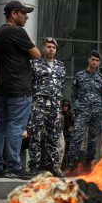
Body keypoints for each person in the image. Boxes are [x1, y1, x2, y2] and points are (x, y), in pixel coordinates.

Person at [0, 1, 40, 179]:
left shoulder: (0, 33)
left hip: (3, 86)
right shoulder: (16, 31)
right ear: (13, 13)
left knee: (1, 125)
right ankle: (13, 166)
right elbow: (36, 54)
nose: (26, 16)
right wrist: (31, 44)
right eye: (23, 13)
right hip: (18, 87)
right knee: (16, 126)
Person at [27, 37, 66, 177]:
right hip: (39, 104)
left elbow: (61, 85)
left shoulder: (60, 66)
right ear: (43, 48)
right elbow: (30, 84)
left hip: (55, 106)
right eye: (48, 46)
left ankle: (52, 165)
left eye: (53, 47)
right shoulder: (35, 64)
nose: (51, 49)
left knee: (53, 136)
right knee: (35, 135)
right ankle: (33, 166)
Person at [67, 50, 102, 171]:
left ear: (99, 62)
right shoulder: (80, 75)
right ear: (89, 60)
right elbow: (74, 93)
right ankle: (71, 164)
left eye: (97, 60)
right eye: (93, 59)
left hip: (96, 112)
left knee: (93, 139)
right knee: (77, 136)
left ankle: (89, 164)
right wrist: (76, 107)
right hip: (82, 110)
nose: (94, 62)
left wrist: (100, 109)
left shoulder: (101, 78)